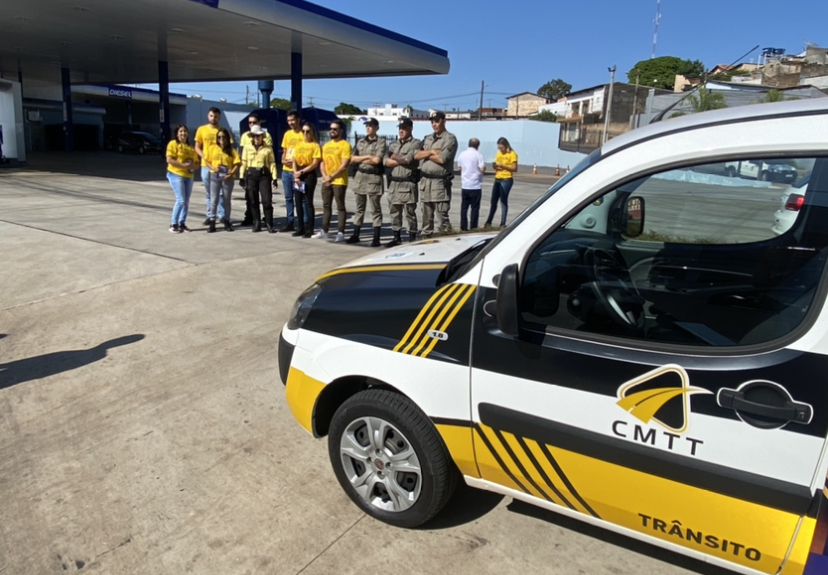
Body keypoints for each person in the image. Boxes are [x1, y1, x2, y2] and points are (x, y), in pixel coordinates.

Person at [415, 111, 458, 238]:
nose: (434, 124)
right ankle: (425, 244)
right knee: (426, 220)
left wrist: (426, 153)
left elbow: (442, 159)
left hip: (439, 184)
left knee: (442, 219)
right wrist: (433, 152)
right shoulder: (428, 138)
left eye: (437, 121)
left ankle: (446, 246)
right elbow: (416, 155)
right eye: (432, 122)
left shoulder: (450, 139)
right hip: (425, 183)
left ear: (444, 121)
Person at [346, 118, 387, 246]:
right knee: (359, 208)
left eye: (371, 125)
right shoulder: (360, 142)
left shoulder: (381, 142)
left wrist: (361, 159)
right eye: (367, 125)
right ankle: (356, 234)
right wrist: (368, 157)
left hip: (373, 178)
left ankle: (376, 237)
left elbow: (377, 160)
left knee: (375, 209)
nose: (368, 128)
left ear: (377, 127)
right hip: (360, 177)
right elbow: (352, 158)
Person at [383, 118, 421, 246]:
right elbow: (385, 161)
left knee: (410, 213)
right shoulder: (393, 144)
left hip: (407, 183)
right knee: (394, 212)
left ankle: (412, 237)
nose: (401, 130)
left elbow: (408, 160)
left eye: (404, 128)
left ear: (411, 129)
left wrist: (395, 157)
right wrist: (399, 159)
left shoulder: (416, 143)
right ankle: (396, 237)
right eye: (400, 128)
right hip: (394, 184)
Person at [316, 119, 352, 241]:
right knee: (326, 206)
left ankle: (340, 232)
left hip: (339, 181)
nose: (332, 131)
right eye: (330, 129)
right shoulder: (326, 145)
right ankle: (324, 230)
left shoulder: (345, 145)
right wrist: (325, 176)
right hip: (326, 180)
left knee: (340, 206)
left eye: (335, 129)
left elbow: (344, 165)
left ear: (341, 131)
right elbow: (322, 163)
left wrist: (332, 177)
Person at [195, 107, 232, 225]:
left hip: (221, 166)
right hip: (206, 165)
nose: (213, 118)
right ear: (208, 116)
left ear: (219, 117)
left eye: (216, 116)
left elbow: (229, 147)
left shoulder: (223, 130)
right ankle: (210, 215)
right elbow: (197, 146)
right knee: (209, 192)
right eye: (211, 116)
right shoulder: (202, 130)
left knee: (221, 192)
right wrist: (204, 157)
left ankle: (222, 215)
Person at [239, 113, 275, 227]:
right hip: (251, 174)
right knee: (252, 200)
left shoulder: (268, 148)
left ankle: (269, 222)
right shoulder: (247, 147)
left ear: (262, 136)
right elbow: (243, 162)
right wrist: (241, 176)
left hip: (264, 174)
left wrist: (274, 177)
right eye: (254, 136)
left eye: (258, 135)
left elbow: (272, 163)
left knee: (266, 200)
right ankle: (256, 222)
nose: (256, 138)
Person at [204, 127, 240, 233]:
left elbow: (237, 163)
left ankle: (227, 221)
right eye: (219, 137)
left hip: (227, 177)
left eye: (223, 137)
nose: (221, 139)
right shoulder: (212, 148)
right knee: (214, 200)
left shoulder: (232, 150)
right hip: (215, 176)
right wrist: (213, 168)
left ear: (227, 138)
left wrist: (231, 173)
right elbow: (207, 161)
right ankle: (212, 222)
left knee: (226, 200)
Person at [291, 121, 322, 238]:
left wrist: (301, 172)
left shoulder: (315, 146)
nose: (305, 133)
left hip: (308, 173)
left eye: (307, 131)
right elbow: (293, 160)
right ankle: (300, 227)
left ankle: (310, 228)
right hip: (298, 172)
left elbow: (315, 164)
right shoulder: (298, 145)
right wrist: (295, 173)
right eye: (303, 131)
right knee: (298, 202)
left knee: (308, 202)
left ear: (312, 132)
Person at [165, 124, 198, 233]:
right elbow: (169, 159)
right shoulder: (173, 144)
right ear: (177, 133)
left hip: (188, 176)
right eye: (180, 131)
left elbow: (197, 164)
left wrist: (191, 166)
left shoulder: (191, 148)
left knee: (186, 201)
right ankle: (173, 224)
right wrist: (183, 165)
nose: (183, 133)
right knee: (181, 200)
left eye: (185, 131)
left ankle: (182, 223)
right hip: (176, 174)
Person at [279, 110, 305, 233]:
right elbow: (285, 150)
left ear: (298, 120)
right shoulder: (287, 134)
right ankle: (290, 221)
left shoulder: (303, 134)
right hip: (286, 171)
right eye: (289, 121)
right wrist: (283, 160)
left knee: (301, 198)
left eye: (293, 120)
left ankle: (304, 222)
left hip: (298, 171)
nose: (291, 123)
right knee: (288, 198)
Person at [484, 137, 518, 229]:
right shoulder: (498, 153)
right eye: (499, 148)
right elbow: (497, 163)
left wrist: (503, 166)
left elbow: (514, 168)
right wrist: (495, 167)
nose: (500, 150)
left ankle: (503, 223)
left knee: (503, 201)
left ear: (506, 146)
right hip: (498, 178)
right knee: (493, 201)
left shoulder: (512, 154)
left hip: (506, 179)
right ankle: (488, 222)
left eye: (501, 148)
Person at [456, 138, 486, 231]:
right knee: (475, 208)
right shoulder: (478, 155)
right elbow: (482, 168)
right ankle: (473, 227)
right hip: (475, 185)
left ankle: (463, 226)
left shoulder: (462, 154)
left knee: (464, 208)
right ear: (477, 146)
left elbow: (459, 167)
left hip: (465, 185)